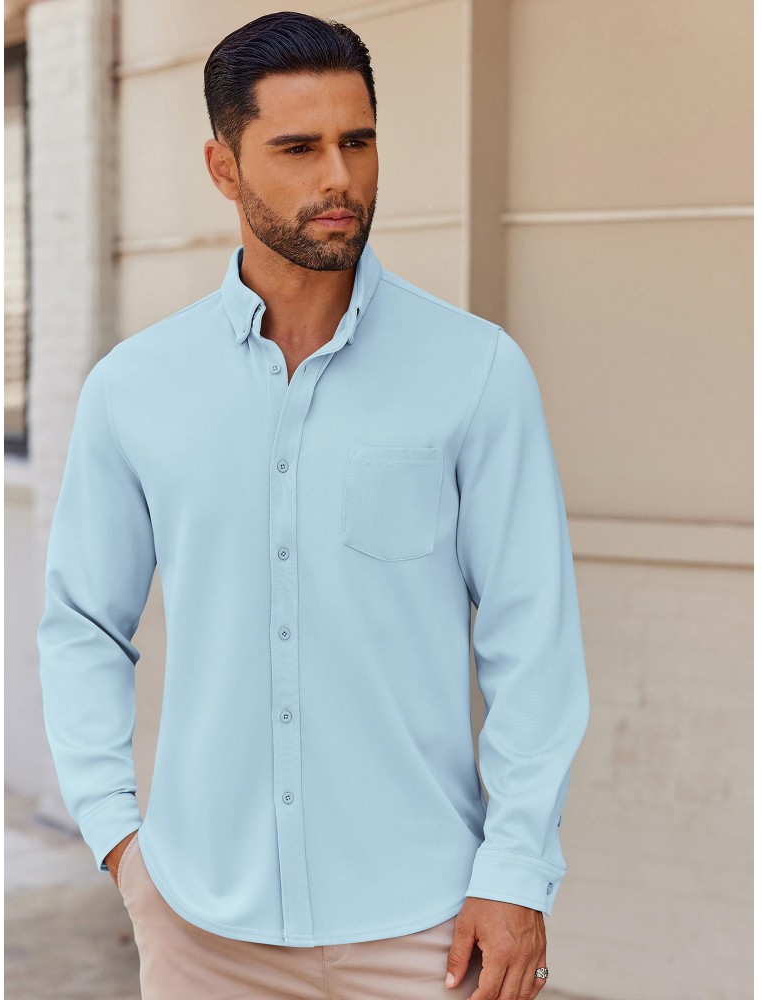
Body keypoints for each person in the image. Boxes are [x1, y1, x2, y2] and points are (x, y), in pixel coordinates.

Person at [37, 11, 590, 1000]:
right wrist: (120, 841)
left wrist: (515, 870)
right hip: (200, 928)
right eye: (298, 148)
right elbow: (83, 624)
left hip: (424, 929)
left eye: (357, 142)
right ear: (223, 167)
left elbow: (533, 639)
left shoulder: (475, 371)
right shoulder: (135, 389)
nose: (339, 177)